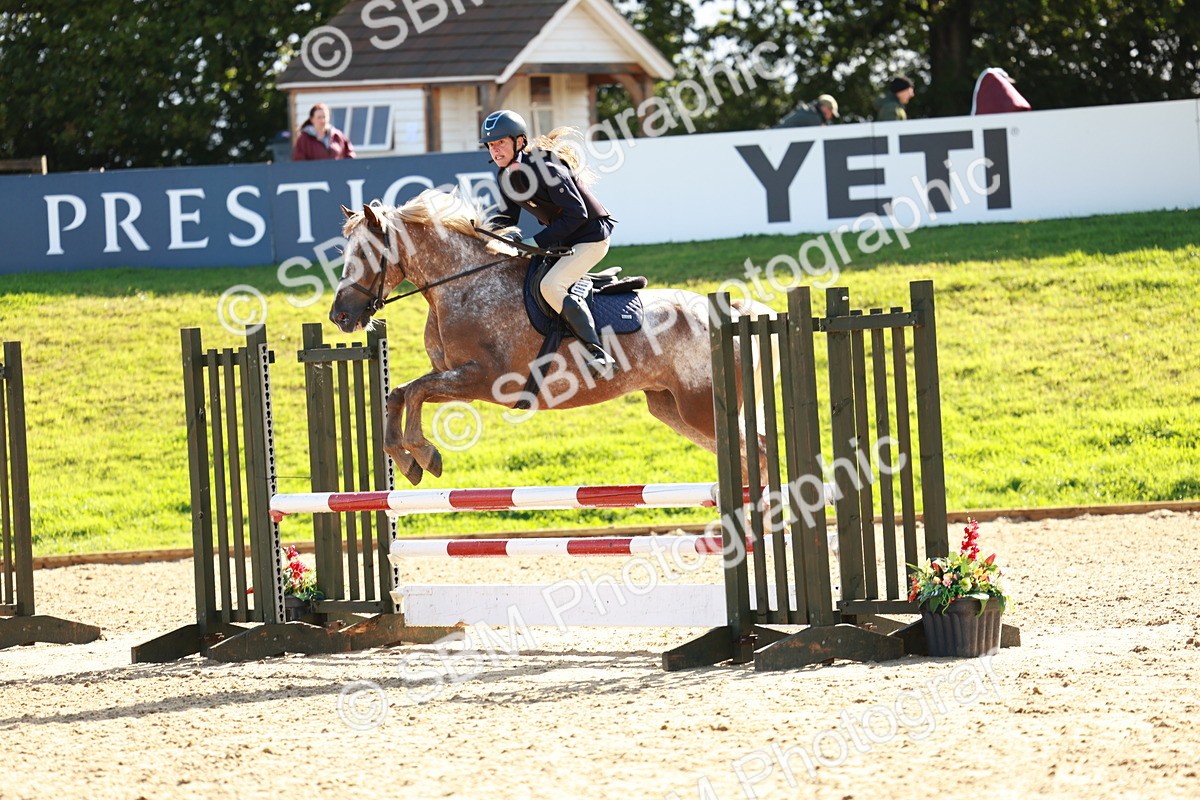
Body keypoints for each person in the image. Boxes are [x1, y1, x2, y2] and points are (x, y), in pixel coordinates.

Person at [480, 109, 617, 376]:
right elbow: (507, 216)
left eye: (500, 143)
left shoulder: (545, 167)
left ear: (519, 141)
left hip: (590, 237)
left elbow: (578, 214)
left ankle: (598, 355)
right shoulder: (505, 174)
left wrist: (536, 240)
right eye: (490, 145)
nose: (495, 150)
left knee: (551, 286)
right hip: (564, 241)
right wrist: (483, 233)